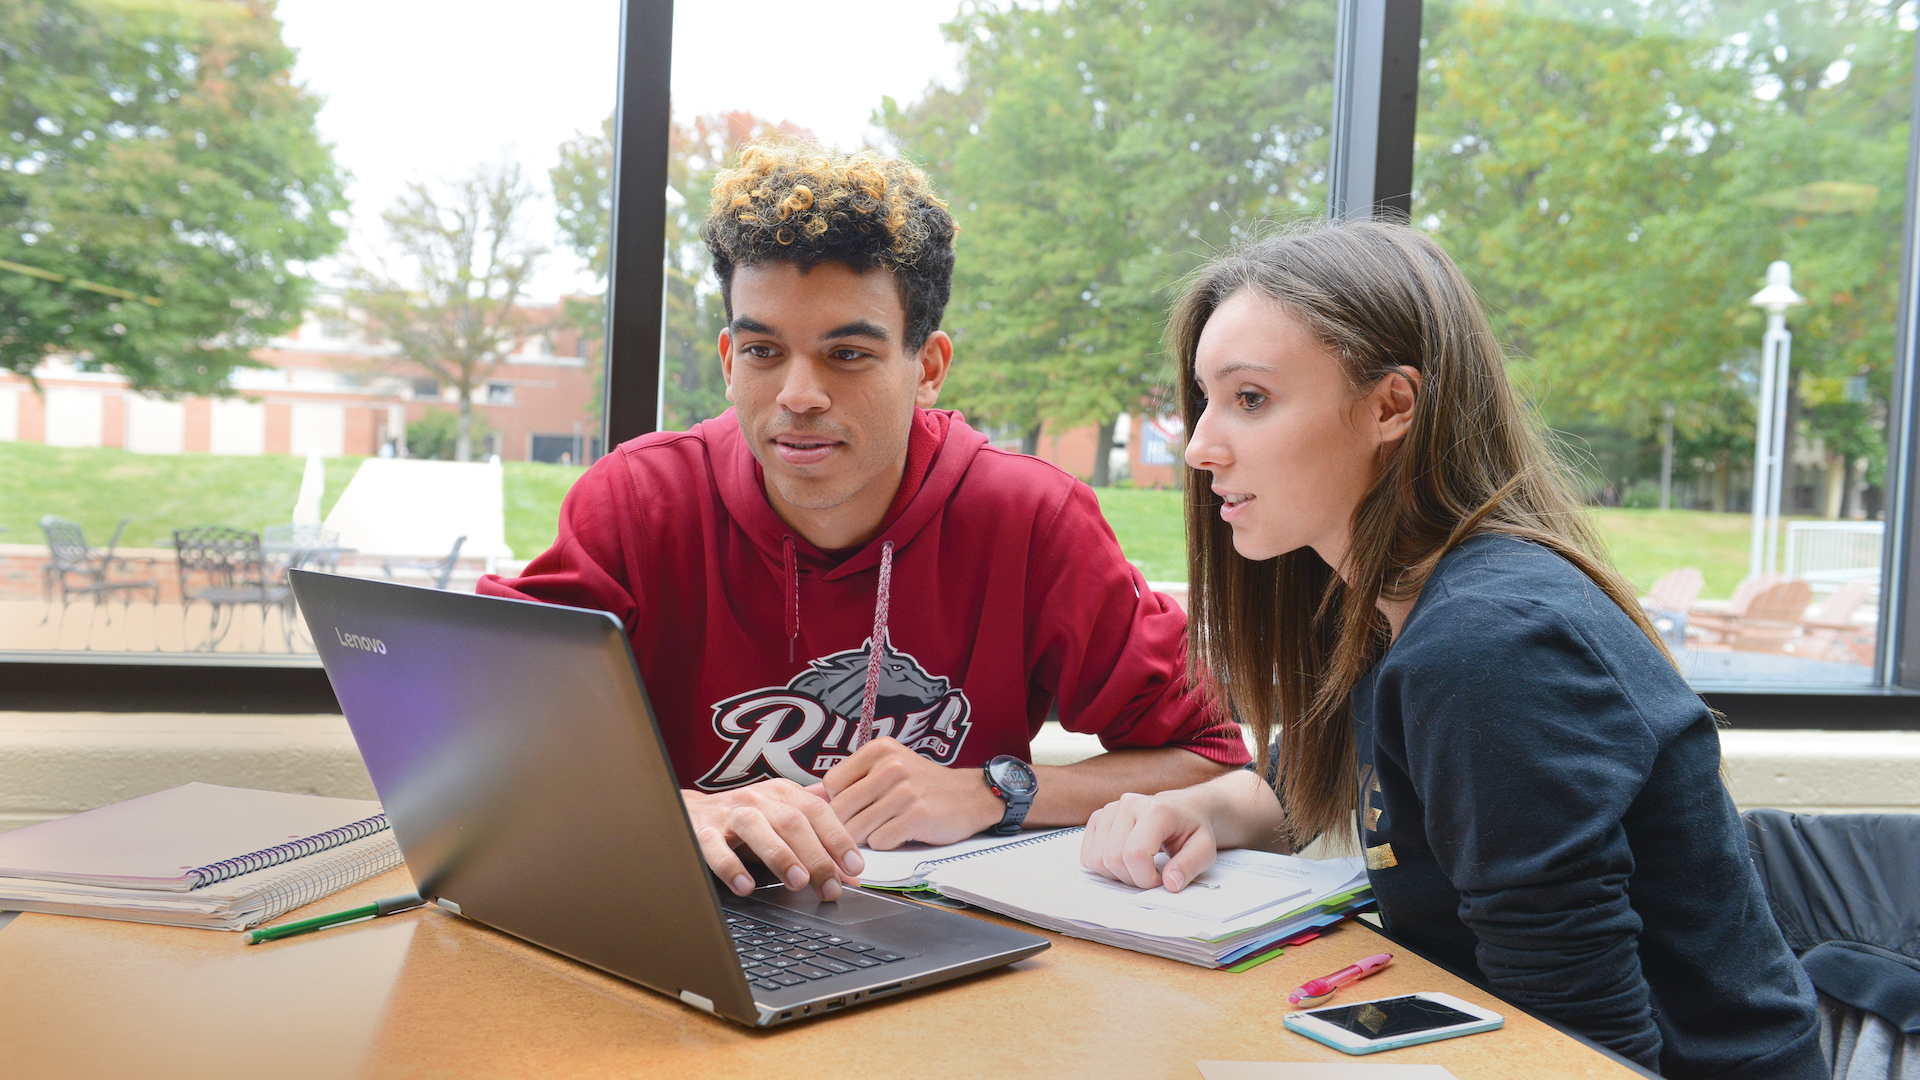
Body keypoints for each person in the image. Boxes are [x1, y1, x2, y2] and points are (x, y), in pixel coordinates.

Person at [1078, 221, 1823, 1079]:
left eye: (1250, 399)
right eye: (1204, 401)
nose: (1201, 446)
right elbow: (1306, 781)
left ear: (1393, 405)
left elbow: (1582, 1046)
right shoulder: (1392, 603)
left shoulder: (1486, 648)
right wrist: (1200, 813)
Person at [480, 142, 1248, 905]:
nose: (799, 394)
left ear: (930, 367)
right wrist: (685, 811)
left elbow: (1210, 757)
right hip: (689, 928)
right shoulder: (639, 501)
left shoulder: (1029, 517)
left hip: (934, 950)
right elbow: (479, 731)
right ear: (726, 359)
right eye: (762, 351)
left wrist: (994, 791)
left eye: (847, 353)